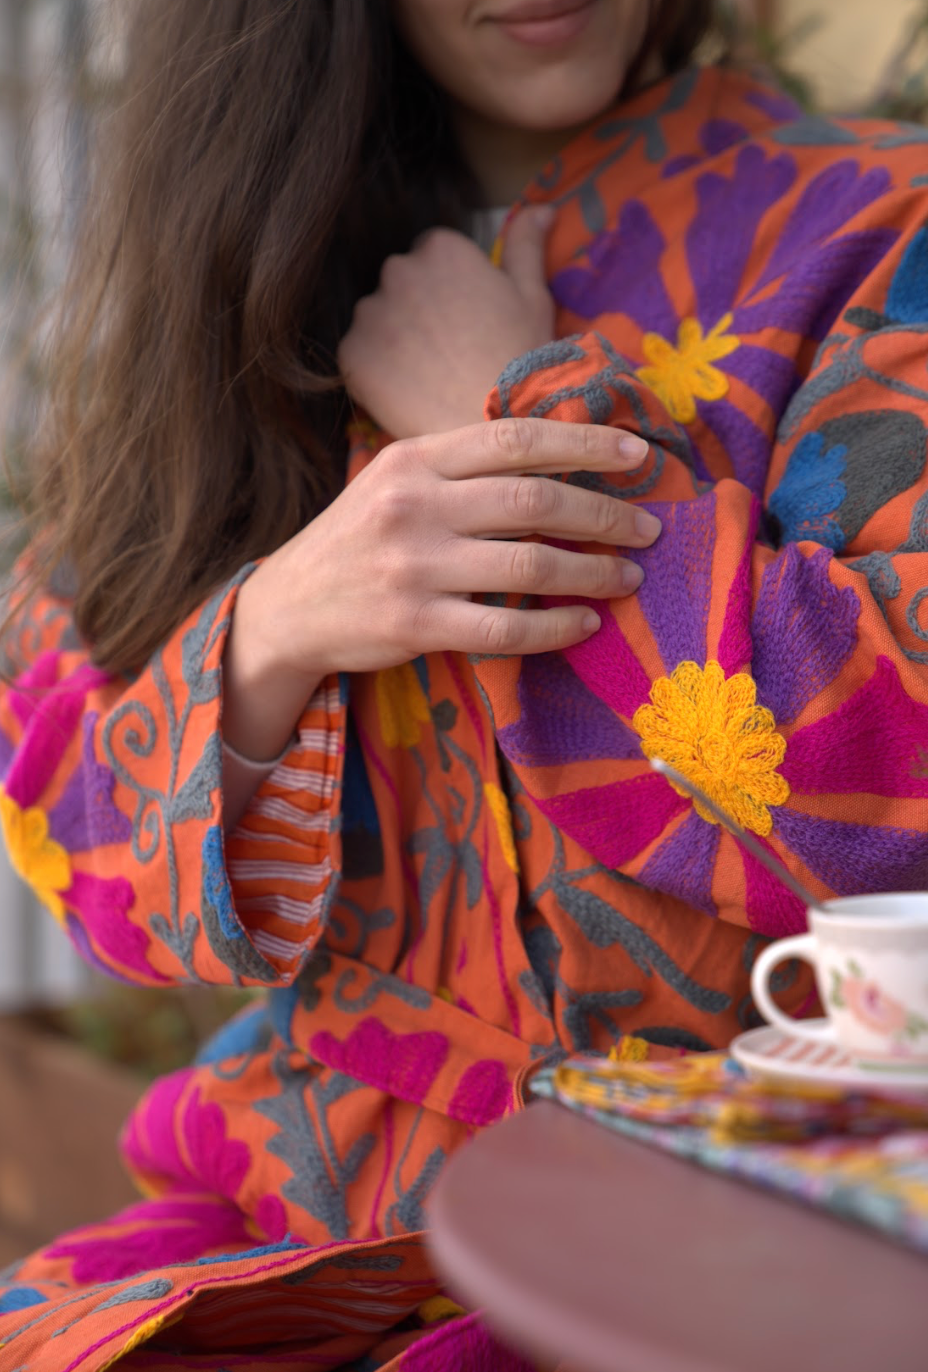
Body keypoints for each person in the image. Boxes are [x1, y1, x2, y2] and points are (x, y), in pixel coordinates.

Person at [2, 0, 928, 1365]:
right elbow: (64, 824)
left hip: (747, 1238)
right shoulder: (245, 281)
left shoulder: (878, 223)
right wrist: (276, 632)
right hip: (297, 1228)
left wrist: (512, 407)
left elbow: (892, 791)